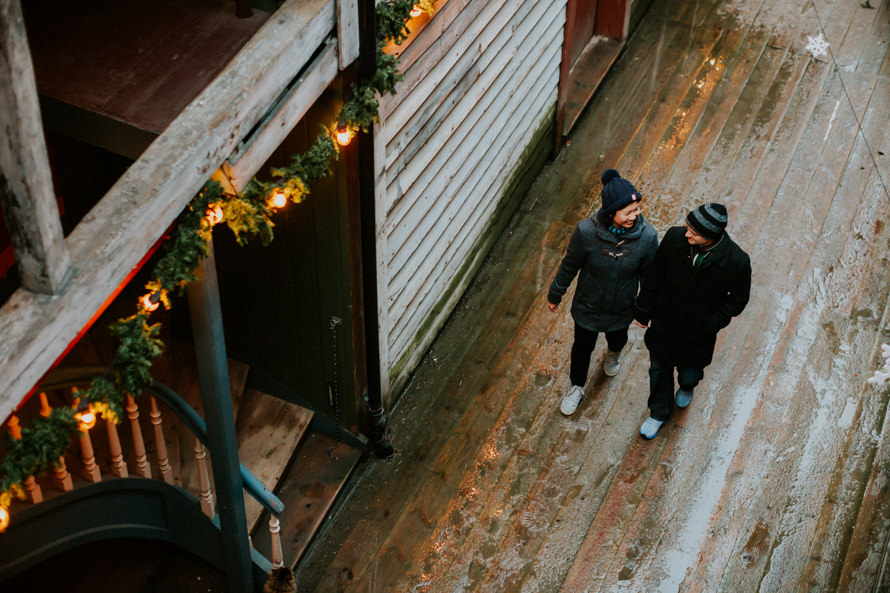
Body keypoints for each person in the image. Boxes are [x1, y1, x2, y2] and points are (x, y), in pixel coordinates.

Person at [634, 203, 751, 439]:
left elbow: (738, 300)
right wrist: (643, 310)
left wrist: (713, 322)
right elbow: (655, 275)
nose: (687, 234)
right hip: (665, 322)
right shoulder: (674, 238)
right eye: (688, 227)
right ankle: (658, 412)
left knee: (689, 374)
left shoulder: (737, 261)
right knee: (658, 370)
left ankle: (688, 386)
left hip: (698, 334)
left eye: (694, 233)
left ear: (711, 236)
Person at [547, 169, 658, 416]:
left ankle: (614, 354)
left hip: (622, 306)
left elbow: (650, 278)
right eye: (628, 212)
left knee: (617, 338)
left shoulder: (647, 237)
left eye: (637, 209)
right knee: (582, 347)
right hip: (589, 304)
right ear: (611, 212)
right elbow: (569, 265)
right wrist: (556, 294)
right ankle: (577, 386)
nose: (635, 215)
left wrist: (644, 310)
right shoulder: (586, 232)